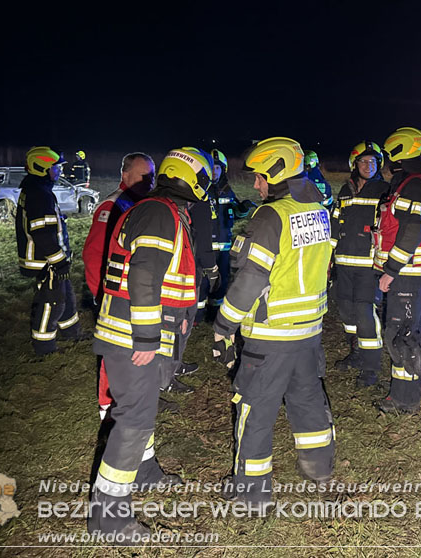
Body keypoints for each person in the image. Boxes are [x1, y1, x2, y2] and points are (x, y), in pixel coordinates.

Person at [88, 148, 211, 539]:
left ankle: (145, 472)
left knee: (140, 411)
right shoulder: (159, 213)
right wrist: (146, 336)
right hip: (132, 336)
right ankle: (108, 517)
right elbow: (143, 274)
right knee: (135, 420)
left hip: (133, 333)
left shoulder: (162, 210)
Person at [213, 137, 334, 510]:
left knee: (254, 408)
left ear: (278, 172)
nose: (257, 185)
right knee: (308, 397)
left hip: (271, 334)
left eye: (261, 177)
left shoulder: (270, 216)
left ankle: (250, 493)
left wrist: (223, 325)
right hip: (309, 329)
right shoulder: (318, 208)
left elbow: (249, 280)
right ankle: (319, 467)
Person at [374, 127, 421, 414]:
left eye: (390, 154)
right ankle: (402, 393)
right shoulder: (418, 179)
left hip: (409, 271)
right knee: (404, 333)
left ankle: (405, 399)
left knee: (401, 334)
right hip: (412, 270)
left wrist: (391, 270)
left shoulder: (415, 183)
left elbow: (412, 230)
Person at [82, 152, 156, 420]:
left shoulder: (141, 205)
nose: (150, 181)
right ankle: (108, 407)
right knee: (114, 351)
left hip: (131, 294)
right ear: (124, 176)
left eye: (152, 175)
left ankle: (134, 396)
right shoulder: (113, 207)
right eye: (142, 175)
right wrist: (103, 295)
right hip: (113, 295)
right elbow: (93, 255)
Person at [331, 141, 390, 387]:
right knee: (346, 311)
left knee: (366, 315)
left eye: (373, 161)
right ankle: (355, 353)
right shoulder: (345, 191)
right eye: (364, 161)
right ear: (354, 164)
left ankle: (370, 368)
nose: (369, 165)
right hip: (343, 264)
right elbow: (335, 224)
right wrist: (328, 259)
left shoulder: (385, 191)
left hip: (369, 266)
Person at [15, 147, 82, 356]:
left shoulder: (38, 189)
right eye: (56, 167)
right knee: (51, 302)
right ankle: (45, 348)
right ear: (42, 168)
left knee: (66, 296)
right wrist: (58, 260)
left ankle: (72, 333)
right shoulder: (38, 194)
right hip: (45, 261)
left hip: (51, 259)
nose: (59, 171)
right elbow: (42, 233)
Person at [207, 148, 254, 314]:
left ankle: (215, 311)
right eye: (211, 167)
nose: (214, 172)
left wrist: (243, 208)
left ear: (223, 170)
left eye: (218, 168)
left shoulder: (227, 190)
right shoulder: (201, 190)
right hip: (204, 247)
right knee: (203, 280)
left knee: (223, 278)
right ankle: (198, 312)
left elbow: (233, 214)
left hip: (224, 246)